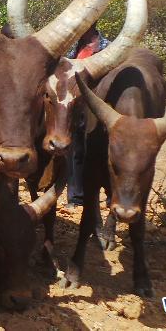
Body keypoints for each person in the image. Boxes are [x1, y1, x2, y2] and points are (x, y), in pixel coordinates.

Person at [66, 22, 111, 207]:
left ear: (91, 26)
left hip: (100, 106)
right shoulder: (74, 48)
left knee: (104, 150)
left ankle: (111, 193)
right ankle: (76, 197)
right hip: (77, 105)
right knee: (76, 150)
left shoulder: (107, 46)